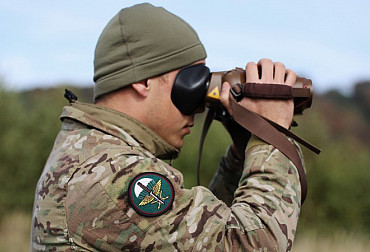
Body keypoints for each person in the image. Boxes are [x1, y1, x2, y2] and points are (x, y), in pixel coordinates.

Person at [31, 3, 303, 251]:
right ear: (143, 80)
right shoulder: (110, 175)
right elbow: (252, 244)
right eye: (192, 82)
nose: (199, 106)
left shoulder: (91, 152)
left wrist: (242, 153)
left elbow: (197, 234)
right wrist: (271, 132)